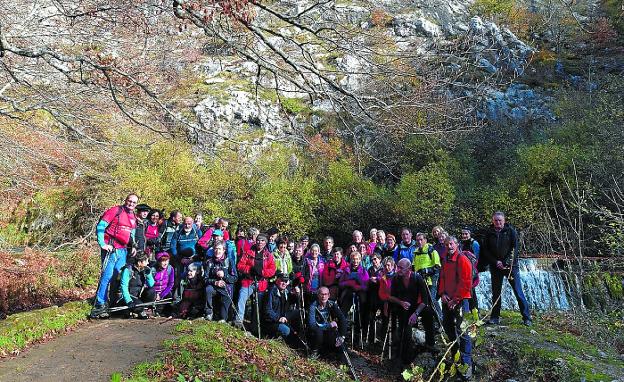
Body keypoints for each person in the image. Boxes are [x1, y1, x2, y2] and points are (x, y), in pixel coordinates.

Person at [91, 193, 139, 319]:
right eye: (130, 201)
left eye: (134, 202)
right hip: (111, 249)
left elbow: (131, 234)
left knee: (118, 277)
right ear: (125, 200)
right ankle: (99, 304)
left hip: (123, 251)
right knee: (106, 276)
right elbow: (101, 226)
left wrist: (133, 246)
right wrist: (102, 244)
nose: (131, 204)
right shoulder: (115, 211)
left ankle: (111, 304)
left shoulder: (133, 216)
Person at [482, 212, 532, 326]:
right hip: (495, 267)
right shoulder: (489, 233)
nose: (498, 222)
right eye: (496, 220)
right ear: (492, 221)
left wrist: (505, 262)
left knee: (518, 291)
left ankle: (527, 317)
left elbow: (515, 248)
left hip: (510, 267)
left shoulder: (510, 231)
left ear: (504, 221)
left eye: (500, 220)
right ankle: (494, 317)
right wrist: (496, 262)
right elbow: (486, 250)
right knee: (496, 293)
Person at [438, 236, 474, 381]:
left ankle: (467, 365)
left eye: (451, 244)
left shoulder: (462, 259)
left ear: (456, 244)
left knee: (463, 331)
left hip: (460, 300)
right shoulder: (445, 259)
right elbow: (442, 278)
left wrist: (455, 299)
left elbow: (466, 282)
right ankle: (455, 355)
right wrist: (442, 294)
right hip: (448, 300)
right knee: (447, 326)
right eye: (446, 245)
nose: (449, 246)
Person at [388, 258, 436, 365]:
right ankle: (405, 358)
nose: (398, 269)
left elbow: (425, 300)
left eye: (401, 268)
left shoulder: (417, 278)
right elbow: (390, 297)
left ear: (409, 269)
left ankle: (430, 343)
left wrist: (416, 313)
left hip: (417, 306)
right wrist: (401, 302)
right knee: (406, 331)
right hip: (403, 307)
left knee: (428, 312)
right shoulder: (396, 279)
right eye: (398, 267)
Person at [235, 234, 276, 328]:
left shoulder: (268, 255)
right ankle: (238, 322)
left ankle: (254, 326)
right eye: (258, 240)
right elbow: (240, 265)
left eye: (262, 241)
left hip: (261, 283)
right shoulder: (248, 252)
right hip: (248, 281)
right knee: (242, 298)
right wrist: (249, 269)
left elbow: (272, 270)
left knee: (258, 305)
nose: (260, 242)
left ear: (265, 243)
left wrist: (262, 272)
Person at [263, 272, 303, 346]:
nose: (284, 283)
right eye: (282, 280)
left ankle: (296, 339)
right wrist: (278, 318)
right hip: (271, 322)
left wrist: (297, 294)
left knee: (300, 313)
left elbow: (295, 301)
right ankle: (279, 339)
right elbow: (267, 311)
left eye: (286, 281)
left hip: (282, 317)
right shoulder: (271, 291)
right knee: (286, 330)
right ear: (277, 280)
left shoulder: (286, 291)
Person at [339, 251, 369, 346]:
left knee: (358, 316)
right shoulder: (346, 270)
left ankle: (358, 337)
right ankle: (342, 334)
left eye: (357, 259)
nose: (355, 261)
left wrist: (358, 285)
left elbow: (366, 286)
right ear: (351, 260)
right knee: (343, 313)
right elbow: (340, 283)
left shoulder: (364, 270)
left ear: (360, 260)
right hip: (348, 294)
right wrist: (349, 283)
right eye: (353, 259)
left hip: (359, 296)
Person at [412, 232, 443, 328]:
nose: (419, 242)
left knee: (432, 300)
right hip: (419, 280)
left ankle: (441, 322)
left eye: (421, 240)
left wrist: (426, 270)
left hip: (430, 279)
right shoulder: (416, 252)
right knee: (420, 301)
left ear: (425, 240)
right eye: (417, 240)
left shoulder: (431, 250)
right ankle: (423, 323)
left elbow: (437, 266)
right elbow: (414, 266)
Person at [308, 286, 348, 358]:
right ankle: (315, 351)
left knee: (342, 347)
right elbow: (312, 325)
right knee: (319, 332)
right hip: (316, 334)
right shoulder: (313, 306)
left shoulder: (332, 304)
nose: (324, 296)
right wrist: (329, 325)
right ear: (318, 295)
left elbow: (342, 319)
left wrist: (342, 336)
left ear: (329, 295)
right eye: (322, 294)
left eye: (326, 294)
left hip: (328, 332)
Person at [204, 240, 238, 321]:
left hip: (226, 288)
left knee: (223, 317)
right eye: (215, 249)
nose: (217, 251)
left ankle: (224, 318)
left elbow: (235, 278)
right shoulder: (209, 262)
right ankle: (209, 313)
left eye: (219, 249)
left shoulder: (229, 261)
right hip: (213, 286)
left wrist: (225, 276)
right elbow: (205, 279)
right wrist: (215, 282)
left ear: (224, 250)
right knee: (208, 289)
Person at [117, 252, 155, 319]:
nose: (148, 263)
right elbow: (124, 286)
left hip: (139, 296)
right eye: (146, 261)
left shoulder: (145, 269)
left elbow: (151, 284)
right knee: (139, 306)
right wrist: (129, 301)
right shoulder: (128, 270)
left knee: (152, 291)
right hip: (128, 297)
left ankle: (143, 309)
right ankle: (139, 310)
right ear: (140, 262)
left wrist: (148, 274)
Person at [460, 228, 481, 318]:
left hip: (472, 271)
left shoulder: (474, 244)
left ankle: (475, 312)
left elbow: (476, 258)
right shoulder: (460, 244)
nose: (464, 236)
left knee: (472, 292)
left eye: (466, 234)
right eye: (463, 234)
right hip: (463, 271)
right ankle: (466, 312)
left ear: (470, 234)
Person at [366, 253, 383, 344]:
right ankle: (371, 338)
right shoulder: (370, 269)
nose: (374, 261)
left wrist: (377, 279)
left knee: (381, 317)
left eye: (375, 259)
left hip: (381, 295)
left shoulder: (383, 269)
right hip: (372, 295)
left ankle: (380, 337)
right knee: (371, 316)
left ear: (380, 259)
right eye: (372, 259)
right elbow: (366, 280)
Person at [152, 252, 175, 316]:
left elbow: (171, 284)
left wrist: (162, 295)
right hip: (154, 291)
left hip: (164, 291)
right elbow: (149, 284)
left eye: (167, 260)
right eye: (163, 261)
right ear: (158, 262)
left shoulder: (170, 269)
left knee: (169, 297)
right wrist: (156, 294)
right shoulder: (153, 270)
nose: (165, 263)